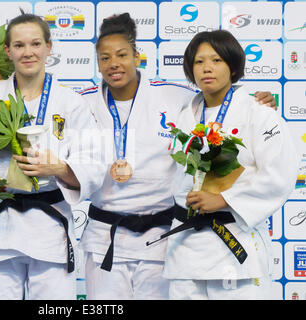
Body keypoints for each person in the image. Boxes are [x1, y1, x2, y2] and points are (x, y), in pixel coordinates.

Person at [78, 13, 277, 300]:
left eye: (122, 54)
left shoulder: (175, 96)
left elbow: (216, 98)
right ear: (96, 61)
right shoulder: (80, 102)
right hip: (105, 233)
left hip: (161, 235)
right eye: (104, 57)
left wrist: (253, 99)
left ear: (137, 55)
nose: (114, 63)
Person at [0, 13, 106, 300]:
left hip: (50, 226)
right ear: (7, 51)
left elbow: (94, 162)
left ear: (49, 47)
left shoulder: (72, 102)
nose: (28, 52)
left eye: (35, 44)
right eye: (19, 45)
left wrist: (58, 167)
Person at [162, 30, 298, 300]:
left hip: (234, 245)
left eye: (216, 60)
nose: (207, 68)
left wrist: (223, 199)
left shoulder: (259, 113)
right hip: (187, 249)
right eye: (199, 62)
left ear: (233, 66)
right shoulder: (183, 115)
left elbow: (279, 176)